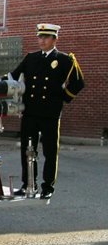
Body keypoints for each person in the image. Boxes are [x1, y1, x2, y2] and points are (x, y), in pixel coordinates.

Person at [8, 23, 85, 199]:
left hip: (50, 113)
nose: (41, 40)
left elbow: (78, 82)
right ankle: (28, 184)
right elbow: (14, 75)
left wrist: (63, 97)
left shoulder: (65, 59)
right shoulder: (31, 57)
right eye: (39, 37)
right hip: (31, 112)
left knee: (49, 152)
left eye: (45, 37)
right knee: (28, 150)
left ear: (54, 39)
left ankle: (47, 187)